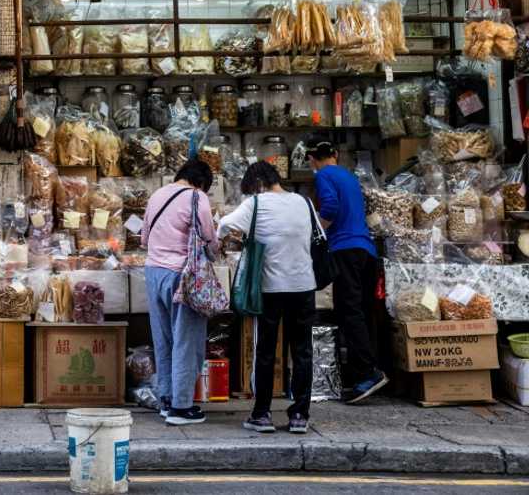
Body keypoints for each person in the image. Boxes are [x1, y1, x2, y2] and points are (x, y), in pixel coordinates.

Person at [218, 161, 318, 434]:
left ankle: (261, 414)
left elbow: (225, 224)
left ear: (258, 184)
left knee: (265, 350)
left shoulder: (256, 203)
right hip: (304, 285)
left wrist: (223, 238)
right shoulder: (303, 202)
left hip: (272, 288)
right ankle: (299, 415)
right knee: (302, 351)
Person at [305, 136, 387, 404]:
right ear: (336, 154)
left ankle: (368, 373)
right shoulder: (349, 176)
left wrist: (316, 232)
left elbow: (330, 207)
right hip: (366, 251)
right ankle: (361, 375)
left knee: (347, 310)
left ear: (312, 159)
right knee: (361, 312)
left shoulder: (323, 175)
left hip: (345, 250)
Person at [140, 157, 217, 426]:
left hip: (153, 272)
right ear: (202, 182)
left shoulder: (157, 195)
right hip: (182, 275)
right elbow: (209, 239)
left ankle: (166, 399)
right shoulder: (197, 198)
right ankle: (182, 407)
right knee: (187, 339)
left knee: (163, 339)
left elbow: (144, 238)